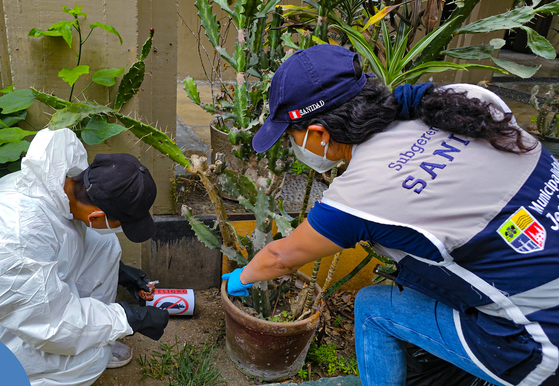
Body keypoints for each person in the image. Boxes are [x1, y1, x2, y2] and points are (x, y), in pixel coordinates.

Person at [221, 44, 559, 386]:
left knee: (372, 308)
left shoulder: (362, 193)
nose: (294, 148)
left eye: (292, 137)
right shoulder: (465, 101)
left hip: (539, 343)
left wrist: (238, 280)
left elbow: (279, 257)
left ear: (319, 133)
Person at [0, 127, 169, 386]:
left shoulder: (57, 188)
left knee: (103, 245)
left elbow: (56, 251)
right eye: (122, 223)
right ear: (96, 216)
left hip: (4, 300)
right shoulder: (13, 230)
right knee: (89, 359)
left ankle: (94, 335)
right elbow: (50, 325)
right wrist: (126, 318)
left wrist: (121, 274)